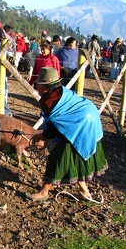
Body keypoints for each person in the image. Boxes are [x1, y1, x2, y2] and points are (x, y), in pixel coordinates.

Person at [25, 67, 108, 202]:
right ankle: (85, 191)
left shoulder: (48, 101)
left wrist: (43, 136)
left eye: (39, 84)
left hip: (80, 125)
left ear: (46, 87)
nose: (37, 87)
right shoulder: (62, 92)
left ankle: (44, 192)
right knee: (78, 157)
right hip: (90, 118)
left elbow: (53, 126)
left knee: (56, 159)